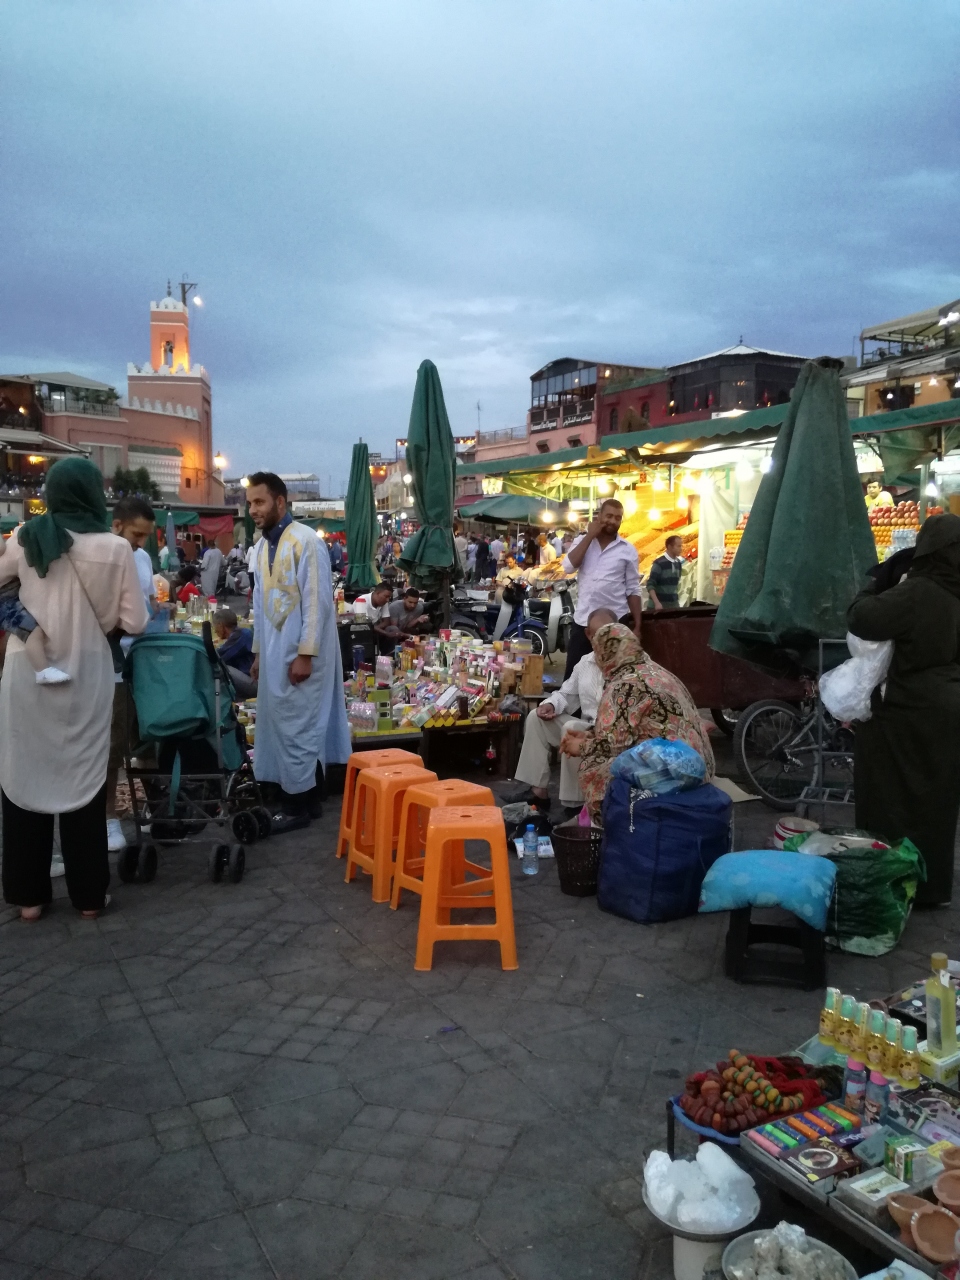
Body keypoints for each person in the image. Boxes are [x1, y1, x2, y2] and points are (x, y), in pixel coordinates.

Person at [0, 457, 147, 921]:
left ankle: (28, 898)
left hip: (26, 672)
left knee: (25, 773)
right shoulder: (116, 548)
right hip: (86, 672)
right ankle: (89, 896)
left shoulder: (26, 538)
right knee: (86, 778)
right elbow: (135, 621)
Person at [847, 513, 960, 906]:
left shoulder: (920, 592)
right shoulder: (955, 591)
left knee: (892, 798)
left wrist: (873, 586)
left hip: (907, 709)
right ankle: (932, 887)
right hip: (948, 708)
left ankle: (893, 883)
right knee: (935, 803)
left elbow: (862, 618)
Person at [247, 472, 350, 818]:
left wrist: (305, 654)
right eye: (250, 503)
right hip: (273, 653)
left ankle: (302, 802)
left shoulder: (306, 541)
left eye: (259, 502)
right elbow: (259, 604)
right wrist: (258, 652)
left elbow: (318, 601)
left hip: (304, 655)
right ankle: (286, 789)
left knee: (301, 725)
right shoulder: (261, 547)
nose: (253, 510)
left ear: (279, 502)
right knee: (279, 722)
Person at [562, 621, 714, 822]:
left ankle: (607, 825)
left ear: (602, 653)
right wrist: (589, 734)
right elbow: (627, 728)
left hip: (674, 774)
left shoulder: (624, 685)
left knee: (594, 766)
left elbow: (613, 747)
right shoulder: (656, 671)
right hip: (700, 768)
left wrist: (581, 746)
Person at [512, 607, 613, 814]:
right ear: (589, 635)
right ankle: (538, 792)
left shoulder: (625, 662)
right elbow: (566, 695)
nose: (602, 640)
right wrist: (550, 705)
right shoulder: (585, 663)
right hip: (587, 727)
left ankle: (574, 805)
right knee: (536, 717)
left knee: (571, 727)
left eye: (608, 633)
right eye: (597, 634)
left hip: (611, 733)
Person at [106, 497, 158, 851]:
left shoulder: (141, 558)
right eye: (137, 534)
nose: (141, 542)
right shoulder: (102, 555)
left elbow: (149, 601)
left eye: (146, 536)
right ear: (117, 526)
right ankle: (109, 819)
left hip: (141, 656)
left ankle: (155, 807)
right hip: (112, 660)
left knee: (149, 734)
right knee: (113, 744)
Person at [561, 498, 643, 679]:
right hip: (584, 622)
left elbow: (633, 589)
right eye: (609, 516)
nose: (612, 521)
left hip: (616, 623)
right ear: (599, 517)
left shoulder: (627, 550)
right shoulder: (582, 541)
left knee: (614, 675)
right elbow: (569, 567)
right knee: (574, 675)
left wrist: (637, 626)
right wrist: (590, 535)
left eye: (618, 518)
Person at [0, 535, 70, 684]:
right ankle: (42, 670)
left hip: (9, 596)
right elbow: (1, 548)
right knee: (32, 631)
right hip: (4, 601)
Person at [213, 607, 257, 698]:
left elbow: (219, 656)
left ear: (221, 625)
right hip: (250, 678)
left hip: (254, 683)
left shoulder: (240, 636)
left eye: (215, 626)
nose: (215, 630)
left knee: (221, 668)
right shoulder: (241, 633)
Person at [646, 534, 685, 612]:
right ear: (670, 547)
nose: (681, 549)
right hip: (657, 608)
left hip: (673, 606)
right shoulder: (659, 563)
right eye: (678, 546)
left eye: (681, 546)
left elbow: (674, 586)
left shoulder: (678, 563)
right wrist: (657, 603)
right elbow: (650, 584)